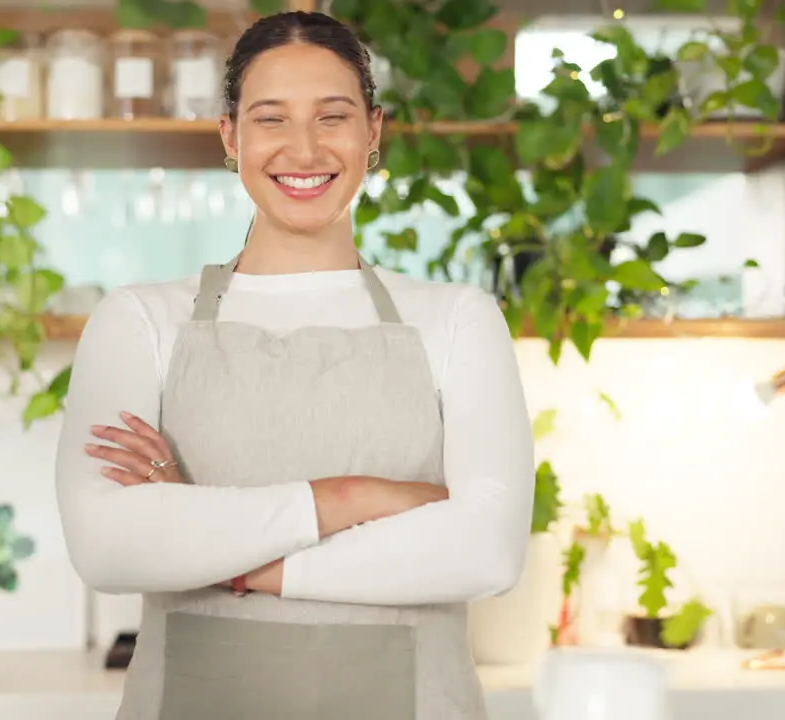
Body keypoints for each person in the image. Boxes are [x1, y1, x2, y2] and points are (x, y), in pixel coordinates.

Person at [54, 10, 535, 719]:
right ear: (231, 135)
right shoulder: (141, 320)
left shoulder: (460, 320)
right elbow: (108, 546)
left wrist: (235, 557)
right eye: (272, 119)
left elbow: (486, 551)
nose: (304, 149)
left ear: (373, 132)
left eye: (332, 117)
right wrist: (348, 498)